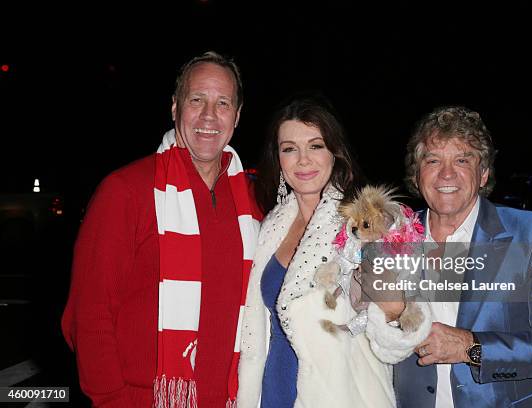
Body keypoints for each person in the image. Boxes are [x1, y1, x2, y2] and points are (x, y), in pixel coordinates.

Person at [61, 51, 262, 407]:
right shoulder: (126, 190)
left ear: (238, 115)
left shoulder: (253, 200)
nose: (209, 116)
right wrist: (113, 400)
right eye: (196, 100)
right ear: (175, 107)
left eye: (223, 103)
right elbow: (89, 315)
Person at [366, 106, 532, 407]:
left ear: (483, 174)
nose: (446, 173)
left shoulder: (531, 234)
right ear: (416, 176)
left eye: (462, 159)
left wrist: (472, 347)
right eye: (432, 160)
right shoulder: (389, 238)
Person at [236, 96, 429, 408]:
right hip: (272, 395)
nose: (303, 160)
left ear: (334, 153)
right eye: (289, 148)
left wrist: (395, 312)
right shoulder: (270, 228)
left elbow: (401, 340)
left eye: (316, 145)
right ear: (278, 158)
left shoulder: (365, 223)